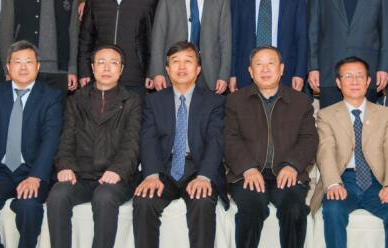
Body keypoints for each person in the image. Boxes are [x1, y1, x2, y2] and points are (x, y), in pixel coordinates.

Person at [0, 41, 63, 248]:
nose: (23, 67)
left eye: (29, 62)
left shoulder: (51, 97)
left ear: (38, 66)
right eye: (17, 62)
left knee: (28, 206)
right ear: (8, 67)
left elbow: (50, 140)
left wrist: (36, 177)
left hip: (31, 170)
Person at [47, 45, 143, 248]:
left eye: (113, 63)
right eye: (101, 62)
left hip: (117, 177)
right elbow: (66, 139)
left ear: (121, 69)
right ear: (92, 67)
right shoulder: (76, 100)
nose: (106, 68)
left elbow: (132, 143)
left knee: (104, 196)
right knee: (58, 194)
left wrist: (118, 170)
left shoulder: (132, 101)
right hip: (81, 175)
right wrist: (66, 166)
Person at [132, 42, 226, 248]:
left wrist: (204, 176)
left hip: (198, 168)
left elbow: (215, 141)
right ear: (167, 69)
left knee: (202, 201)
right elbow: (148, 139)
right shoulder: (153, 101)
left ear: (198, 69)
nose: (181, 67)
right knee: (144, 201)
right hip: (164, 169)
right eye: (175, 62)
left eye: (188, 61)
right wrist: (152, 175)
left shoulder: (214, 102)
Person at [224, 46, 318, 248]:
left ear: (281, 69)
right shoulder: (235, 101)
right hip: (246, 174)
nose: (265, 69)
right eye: (259, 64)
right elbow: (229, 139)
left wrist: (292, 166)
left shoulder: (300, 101)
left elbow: (309, 139)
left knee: (294, 209)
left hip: (287, 173)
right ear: (250, 71)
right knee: (251, 208)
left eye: (271, 64)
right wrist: (248, 168)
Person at [311, 56, 388, 248]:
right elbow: (325, 151)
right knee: (332, 210)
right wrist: (333, 184)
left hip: (376, 181)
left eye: (360, 76)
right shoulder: (326, 115)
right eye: (348, 76)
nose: (354, 81)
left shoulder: (386, 114)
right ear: (338, 82)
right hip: (343, 180)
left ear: (368, 81)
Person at [150, 0, 232, 93]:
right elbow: (158, 36)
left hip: (210, 72)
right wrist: (157, 72)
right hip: (176, 70)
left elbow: (225, 40)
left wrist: (224, 74)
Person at [78, 0, 156, 96]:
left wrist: (151, 72)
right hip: (101, 74)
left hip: (135, 75)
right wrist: (84, 71)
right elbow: (86, 38)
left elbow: (152, 39)